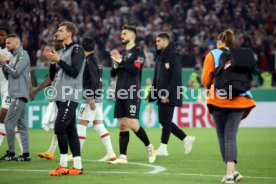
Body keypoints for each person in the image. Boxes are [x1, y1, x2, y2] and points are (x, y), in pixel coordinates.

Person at [201, 29, 256, 183]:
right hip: (240, 99)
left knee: (223, 136)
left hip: (219, 99)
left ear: (220, 42)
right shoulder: (241, 53)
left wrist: (211, 86)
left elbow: (206, 80)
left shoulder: (213, 54)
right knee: (231, 135)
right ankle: (233, 171)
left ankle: (229, 175)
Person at [109, 25, 156, 164]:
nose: (121, 36)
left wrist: (121, 61)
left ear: (132, 35)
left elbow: (135, 69)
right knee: (122, 124)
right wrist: (116, 63)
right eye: (121, 33)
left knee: (133, 123)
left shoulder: (139, 52)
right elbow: (112, 74)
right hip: (120, 91)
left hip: (132, 91)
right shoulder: (121, 53)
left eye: (124, 33)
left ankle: (149, 147)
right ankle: (123, 156)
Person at [44, 21, 85, 176]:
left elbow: (74, 72)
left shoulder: (77, 49)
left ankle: (62, 165)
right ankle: (78, 167)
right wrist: (52, 63)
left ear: (69, 33)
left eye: (61, 30)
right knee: (70, 130)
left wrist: (59, 60)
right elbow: (54, 76)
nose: (57, 33)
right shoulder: (62, 51)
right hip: (60, 95)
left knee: (59, 126)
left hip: (70, 94)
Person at [68, 35, 116, 162]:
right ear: (94, 47)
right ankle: (111, 153)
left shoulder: (88, 61)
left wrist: (91, 97)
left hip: (91, 96)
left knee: (81, 124)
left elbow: (94, 81)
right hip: (98, 95)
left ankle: (75, 154)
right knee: (98, 124)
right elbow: (98, 79)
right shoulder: (96, 60)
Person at [148, 32, 195, 156]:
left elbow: (176, 77)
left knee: (166, 121)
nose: (156, 43)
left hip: (170, 94)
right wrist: (152, 93)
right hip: (161, 93)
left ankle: (163, 148)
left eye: (158, 41)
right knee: (164, 121)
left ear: (165, 41)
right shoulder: (161, 57)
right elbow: (156, 77)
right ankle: (186, 139)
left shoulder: (173, 55)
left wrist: (166, 94)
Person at [0, 34, 30, 161]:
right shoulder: (13, 57)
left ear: (16, 43)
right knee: (21, 125)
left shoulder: (23, 54)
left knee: (8, 122)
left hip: (19, 94)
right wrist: (4, 66)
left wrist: (2, 62)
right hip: (15, 94)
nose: (6, 45)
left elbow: (16, 73)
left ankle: (11, 152)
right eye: (6, 43)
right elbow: (9, 77)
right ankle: (25, 154)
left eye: (8, 43)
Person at [0, 22, 23, 157]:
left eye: (2, 35)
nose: (0, 37)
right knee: (11, 123)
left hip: (9, 89)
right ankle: (24, 151)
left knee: (3, 117)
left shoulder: (12, 53)